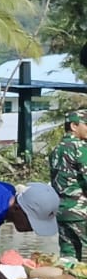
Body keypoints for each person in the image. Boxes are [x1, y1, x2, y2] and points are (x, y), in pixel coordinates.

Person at [48, 109, 87, 264]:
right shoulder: (80, 148)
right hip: (81, 211)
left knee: (68, 257)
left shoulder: (56, 150)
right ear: (73, 126)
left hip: (62, 211)